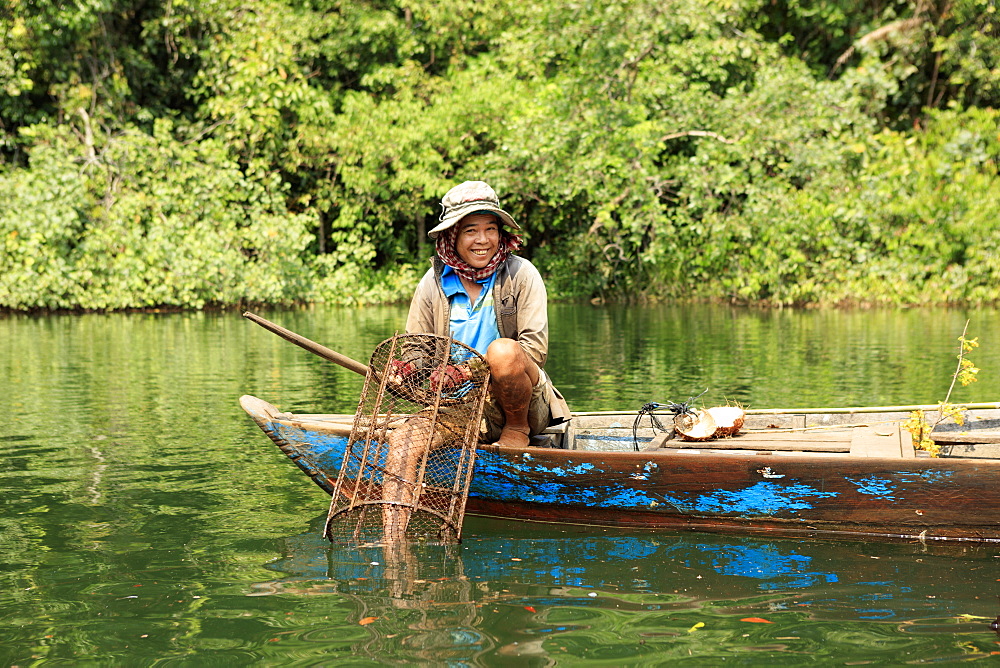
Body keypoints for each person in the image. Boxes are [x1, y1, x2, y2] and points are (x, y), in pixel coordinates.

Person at [402, 180, 571, 448]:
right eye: (470, 231)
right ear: (452, 236)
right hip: (459, 406)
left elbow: (534, 351)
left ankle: (516, 430)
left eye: (490, 229)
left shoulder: (521, 274)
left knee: (504, 351)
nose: (483, 240)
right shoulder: (432, 283)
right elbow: (417, 347)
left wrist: (467, 371)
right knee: (405, 442)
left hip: (519, 405)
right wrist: (408, 368)